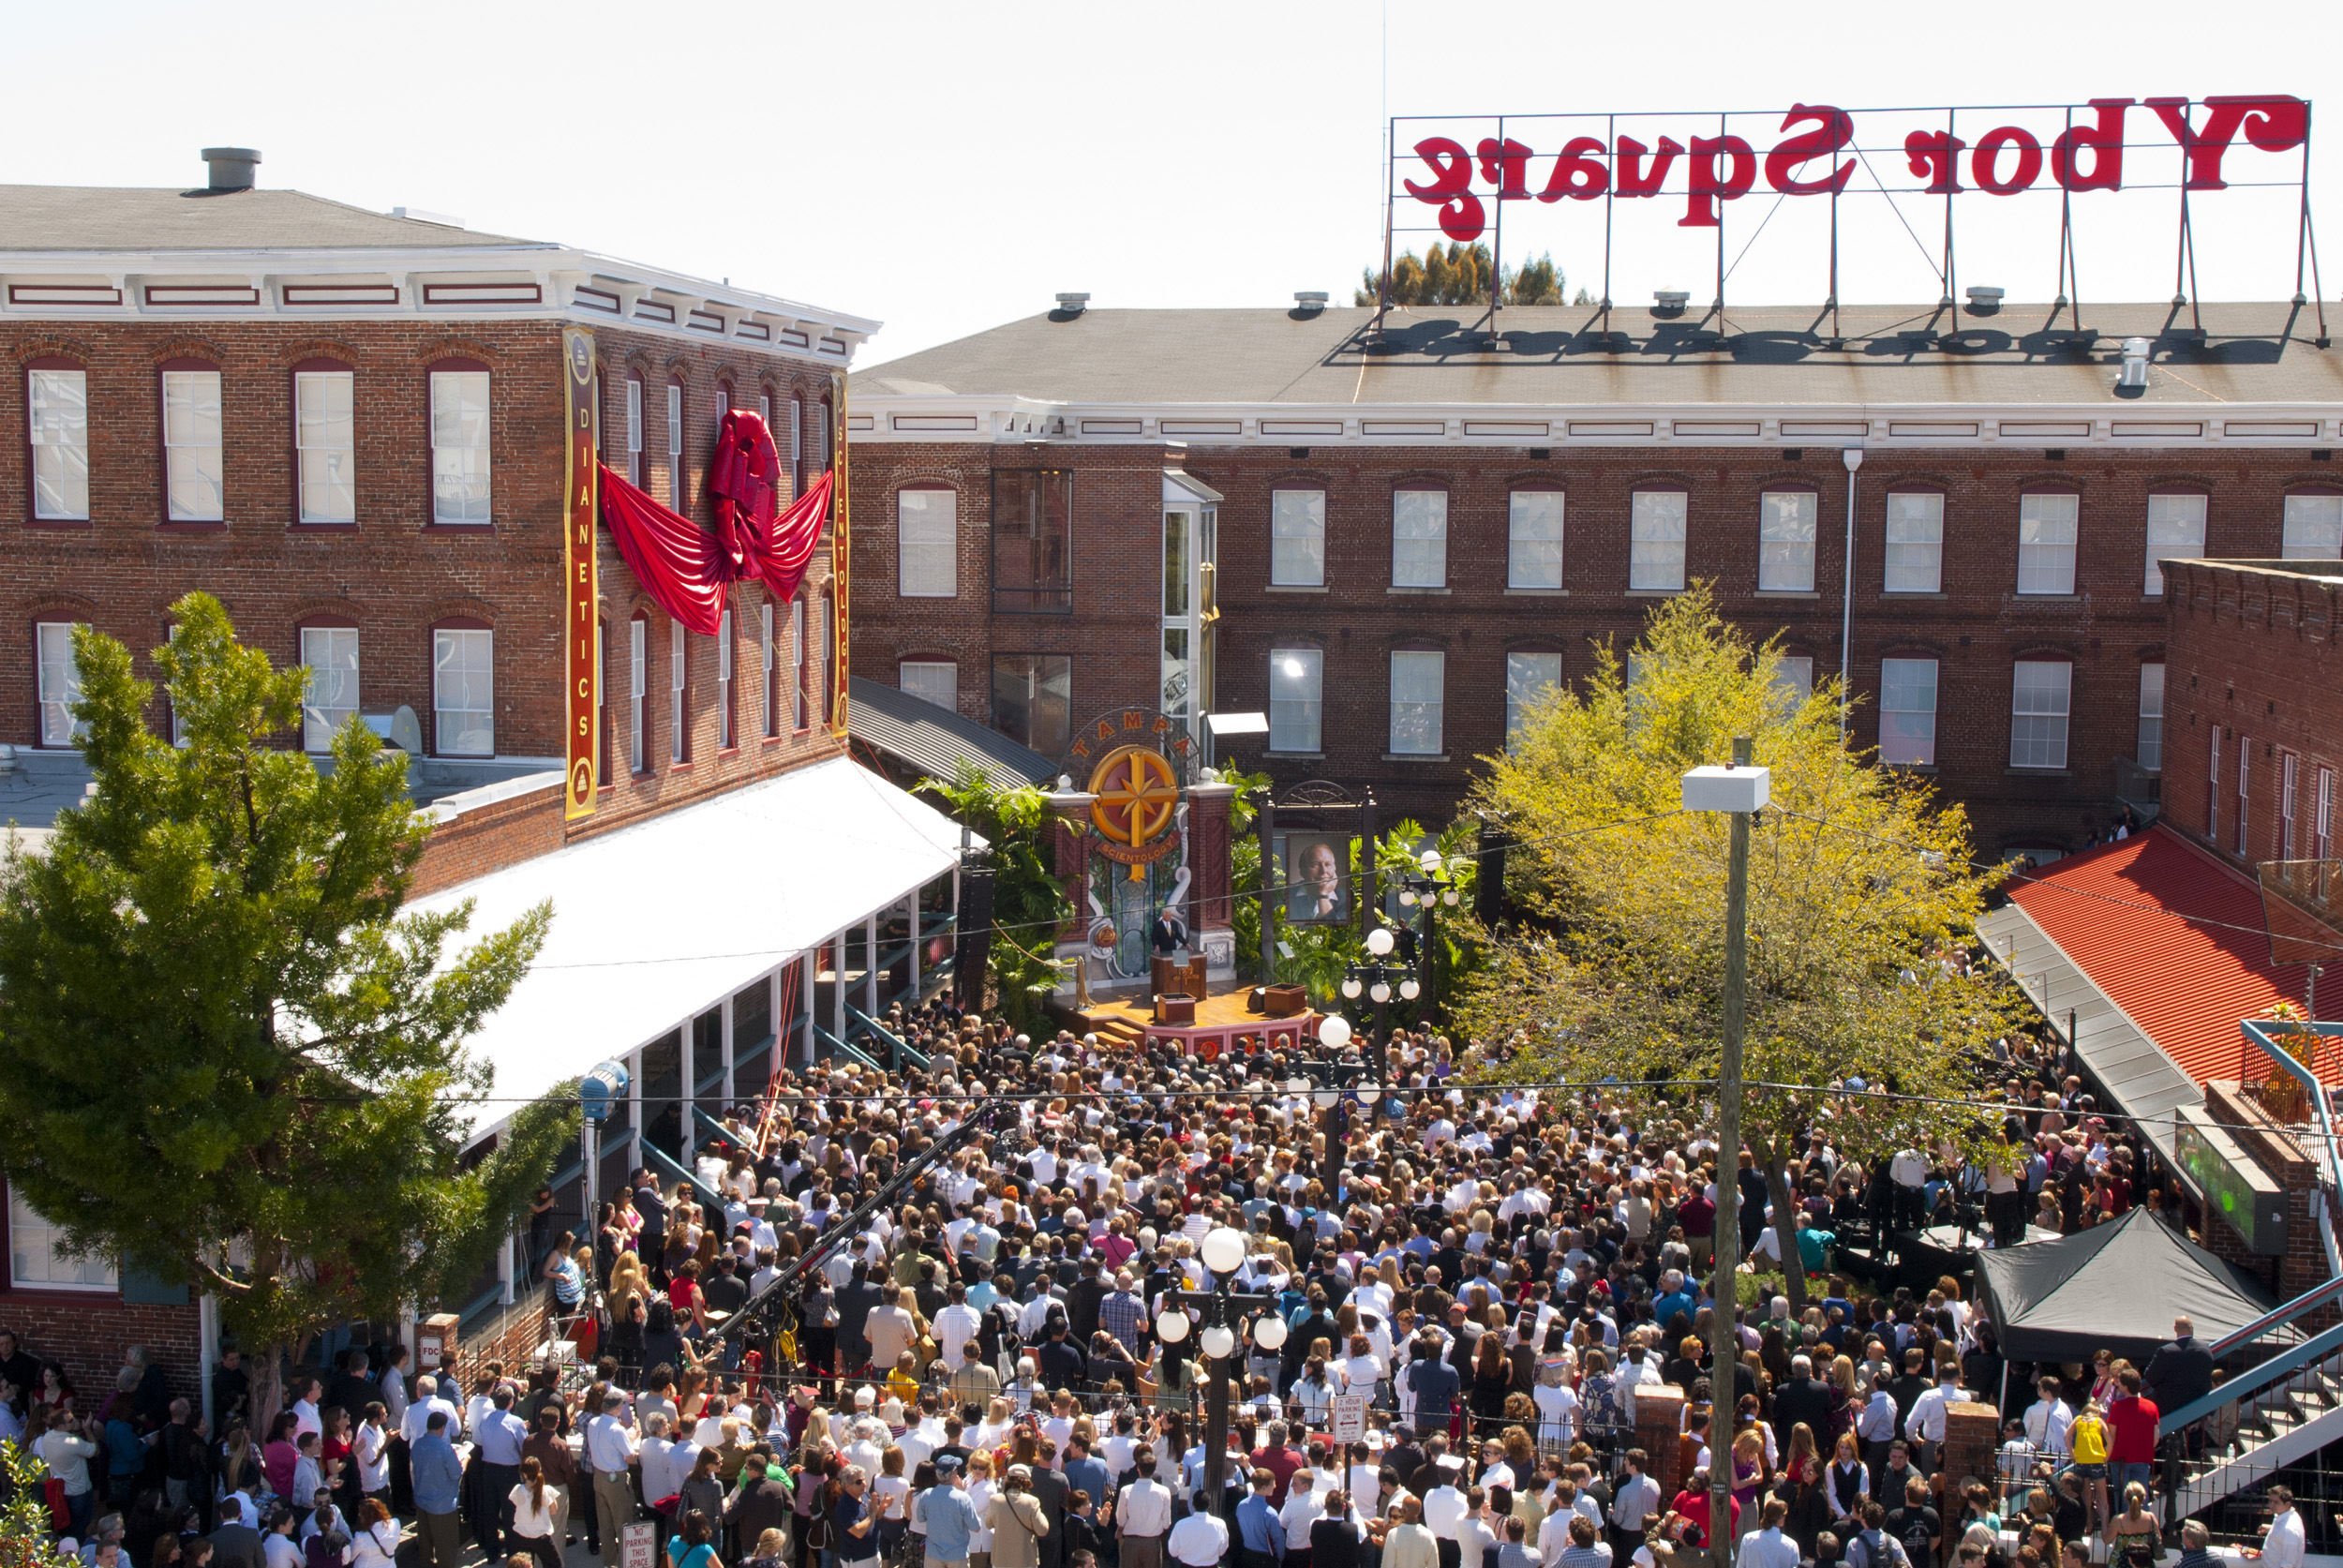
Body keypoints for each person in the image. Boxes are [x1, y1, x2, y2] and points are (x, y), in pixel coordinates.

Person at [409, 1411, 463, 1568]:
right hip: (442, 1505)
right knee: (446, 1547)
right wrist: (464, 1462)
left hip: (421, 1501)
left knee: (425, 1544)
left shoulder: (417, 1444)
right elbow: (456, 1473)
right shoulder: (445, 1448)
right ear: (443, 1428)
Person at [509, 1457, 563, 1568]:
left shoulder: (518, 1490)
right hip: (542, 1538)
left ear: (524, 1474)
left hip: (522, 1536)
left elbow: (517, 1504)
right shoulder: (546, 1491)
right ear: (539, 1470)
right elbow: (553, 1511)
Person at [2245, 1485, 2304, 1568]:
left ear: (2287, 1504)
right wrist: (2272, 1528)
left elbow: (2289, 1564)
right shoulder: (2286, 1515)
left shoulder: (2289, 1530)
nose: (2271, 1505)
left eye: (2276, 1502)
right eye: (2270, 1501)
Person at [1287, 841, 1346, 922]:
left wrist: (1323, 896)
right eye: (1315, 864)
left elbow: (1339, 931)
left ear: (1334, 868)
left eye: (1328, 864)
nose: (1323, 870)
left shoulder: (1345, 898)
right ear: (1302, 870)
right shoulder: (1287, 895)